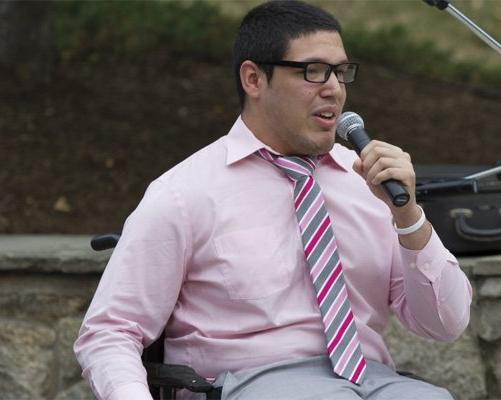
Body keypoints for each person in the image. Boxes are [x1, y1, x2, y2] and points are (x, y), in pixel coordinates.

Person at [74, 1, 473, 399]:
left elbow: (445, 324)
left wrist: (408, 216)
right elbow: (111, 331)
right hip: (247, 381)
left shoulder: (367, 183)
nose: (334, 88)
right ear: (253, 79)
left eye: (341, 72)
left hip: (371, 378)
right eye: (312, 71)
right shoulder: (185, 193)